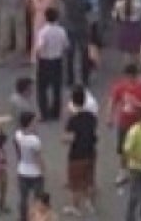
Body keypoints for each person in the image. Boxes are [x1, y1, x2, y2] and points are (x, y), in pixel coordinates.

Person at [63, 87, 98, 216]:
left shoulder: (73, 120)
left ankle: (75, 207)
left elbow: (69, 138)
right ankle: (90, 203)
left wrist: (63, 138)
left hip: (77, 155)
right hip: (91, 151)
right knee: (90, 180)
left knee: (75, 183)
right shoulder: (91, 117)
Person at [34, 8, 69, 121]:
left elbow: (39, 47)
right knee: (56, 88)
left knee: (42, 88)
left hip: (45, 61)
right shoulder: (61, 31)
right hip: (57, 60)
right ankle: (56, 112)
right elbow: (66, 45)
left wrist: (37, 56)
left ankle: (44, 113)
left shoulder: (43, 31)